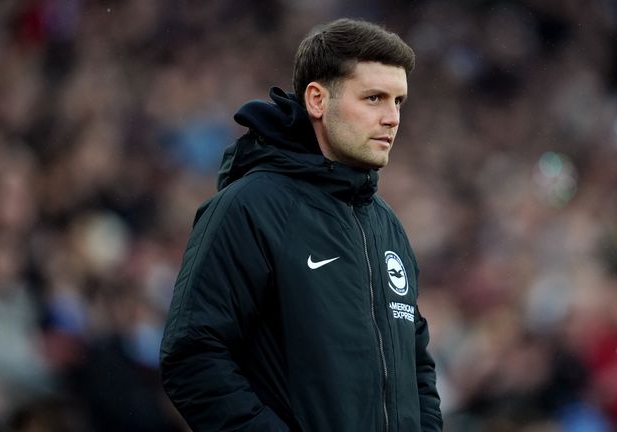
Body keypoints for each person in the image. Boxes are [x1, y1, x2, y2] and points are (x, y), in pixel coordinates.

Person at [159, 18, 443, 431]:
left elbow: (417, 368)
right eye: (374, 98)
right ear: (316, 100)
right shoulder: (249, 207)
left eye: (398, 102)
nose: (392, 118)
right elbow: (192, 355)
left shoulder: (387, 226)